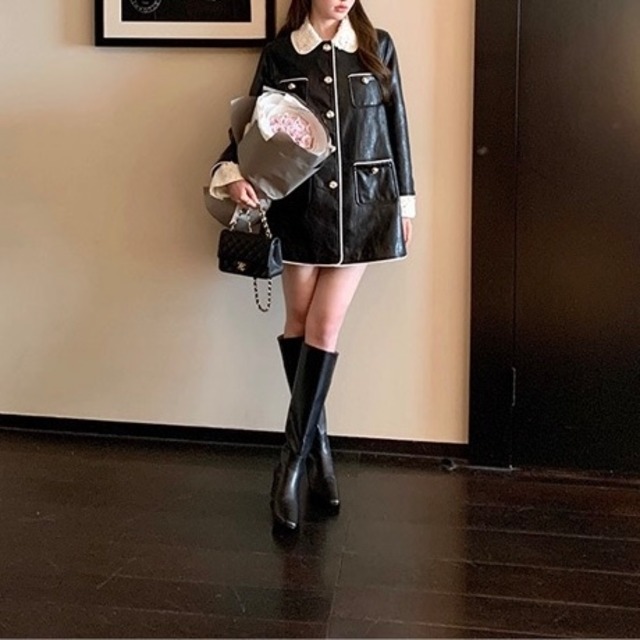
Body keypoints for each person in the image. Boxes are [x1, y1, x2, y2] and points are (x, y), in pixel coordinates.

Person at [209, 0, 416, 531]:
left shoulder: (377, 45)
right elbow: (251, 128)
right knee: (298, 326)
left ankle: (290, 467)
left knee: (323, 327)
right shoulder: (281, 53)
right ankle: (319, 454)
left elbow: (397, 122)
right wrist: (231, 174)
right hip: (300, 210)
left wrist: (406, 202)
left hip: (364, 209)